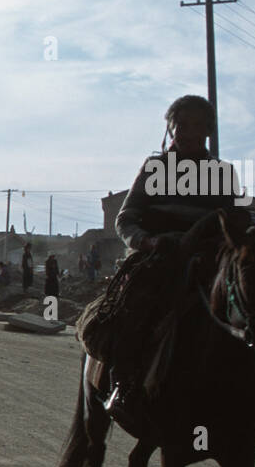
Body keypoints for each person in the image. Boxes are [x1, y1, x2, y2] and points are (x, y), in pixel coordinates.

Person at [102, 94, 244, 423]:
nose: (190, 132)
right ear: (170, 129)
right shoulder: (156, 168)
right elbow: (125, 219)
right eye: (182, 125)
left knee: (251, 307)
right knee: (133, 309)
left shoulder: (223, 173)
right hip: (159, 260)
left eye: (198, 125)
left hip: (209, 263)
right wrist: (146, 241)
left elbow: (234, 223)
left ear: (209, 130)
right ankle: (122, 385)